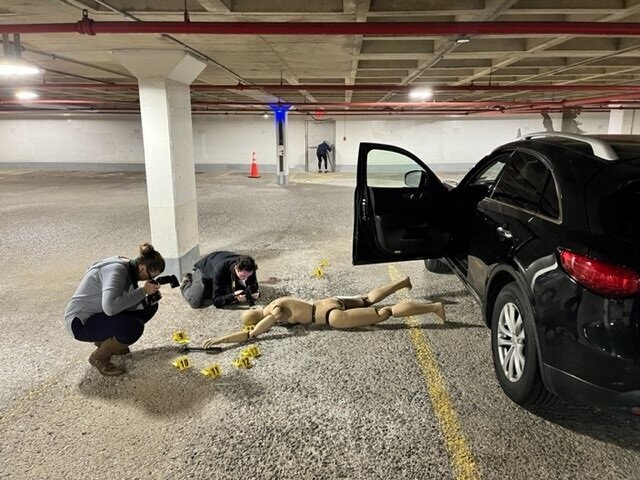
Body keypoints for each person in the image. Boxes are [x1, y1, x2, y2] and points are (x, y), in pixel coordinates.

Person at [203, 276, 444, 347]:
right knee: (368, 298)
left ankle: (433, 308)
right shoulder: (279, 300)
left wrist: (221, 340)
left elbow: (251, 335)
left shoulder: (274, 311)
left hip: (330, 318)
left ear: (258, 316)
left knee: (385, 313)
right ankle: (402, 282)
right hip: (328, 302)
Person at [64, 242, 165, 376]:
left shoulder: (129, 267)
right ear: (141, 267)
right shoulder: (116, 271)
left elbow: (124, 299)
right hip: (80, 322)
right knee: (133, 328)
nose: (150, 279)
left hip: (98, 315)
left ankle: (109, 342)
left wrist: (148, 297)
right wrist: (143, 291)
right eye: (151, 276)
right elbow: (110, 308)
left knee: (149, 306)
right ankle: (99, 358)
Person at [180, 251, 259, 309]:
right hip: (204, 270)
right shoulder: (220, 269)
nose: (246, 279)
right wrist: (233, 296)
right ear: (236, 268)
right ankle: (186, 280)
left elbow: (253, 287)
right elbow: (217, 301)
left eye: (249, 276)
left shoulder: (249, 268)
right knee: (195, 302)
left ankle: (211, 287)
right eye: (243, 276)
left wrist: (254, 293)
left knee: (232, 291)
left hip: (219, 264)